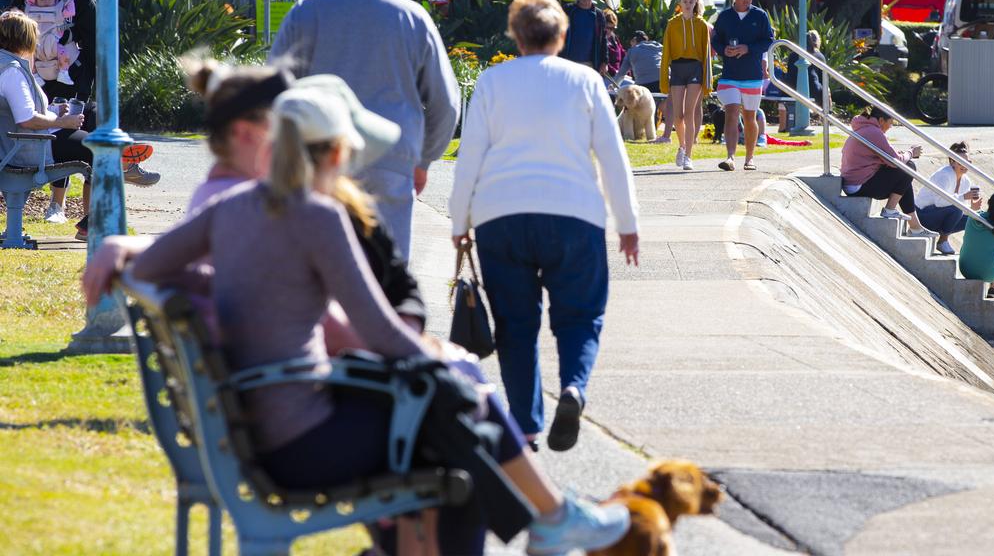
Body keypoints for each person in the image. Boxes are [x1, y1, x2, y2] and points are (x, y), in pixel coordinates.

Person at [88, 86, 631, 556]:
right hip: (304, 440)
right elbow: (379, 332)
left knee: (459, 415)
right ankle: (554, 520)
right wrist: (448, 357)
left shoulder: (234, 206)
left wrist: (132, 248)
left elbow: (156, 264)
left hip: (254, 429)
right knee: (463, 436)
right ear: (337, 152)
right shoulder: (317, 215)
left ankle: (554, 520)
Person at [450, 0, 640, 454]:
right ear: (562, 34)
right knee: (580, 316)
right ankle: (573, 386)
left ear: (515, 35)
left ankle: (527, 424)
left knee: (516, 325)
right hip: (574, 215)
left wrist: (460, 221)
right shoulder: (585, 81)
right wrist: (627, 224)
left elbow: (469, 155)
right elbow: (613, 158)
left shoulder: (493, 82)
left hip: (502, 217)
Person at [269, 0, 461, 255]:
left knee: (323, 272)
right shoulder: (414, 18)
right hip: (392, 160)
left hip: (321, 161)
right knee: (386, 277)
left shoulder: (305, 13)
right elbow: (446, 102)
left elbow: (273, 92)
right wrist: (423, 160)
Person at [7, 0, 161, 219]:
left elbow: (96, 42)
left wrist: (94, 80)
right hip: (33, 78)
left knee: (93, 121)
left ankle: (94, 208)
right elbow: (10, 29)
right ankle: (62, 202)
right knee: (69, 134)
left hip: (69, 78)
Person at [0, 10, 91, 239]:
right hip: (28, 147)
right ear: (26, 39)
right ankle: (94, 222)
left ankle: (125, 165)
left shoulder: (8, 65)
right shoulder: (11, 71)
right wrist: (62, 121)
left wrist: (51, 112)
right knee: (98, 148)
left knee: (95, 114)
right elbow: (26, 119)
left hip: (20, 142)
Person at [840, 106, 936, 238]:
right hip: (859, 186)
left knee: (904, 178)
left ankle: (915, 228)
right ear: (881, 120)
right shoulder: (874, 132)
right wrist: (911, 153)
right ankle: (890, 209)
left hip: (853, 183)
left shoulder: (865, 129)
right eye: (890, 122)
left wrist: (903, 155)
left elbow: (887, 157)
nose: (891, 126)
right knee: (908, 167)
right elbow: (895, 161)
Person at [710, 0, 774, 171]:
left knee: (749, 116)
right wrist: (724, 50)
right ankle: (730, 157)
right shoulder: (725, 17)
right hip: (730, 75)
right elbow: (716, 41)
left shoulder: (760, 16)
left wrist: (748, 48)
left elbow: (768, 41)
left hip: (752, 75)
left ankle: (750, 158)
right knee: (730, 112)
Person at [658, 0, 713, 170]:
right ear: (679, 2)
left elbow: (706, 55)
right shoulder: (672, 24)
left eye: (691, 1)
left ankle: (689, 155)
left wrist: (707, 81)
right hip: (678, 69)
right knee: (677, 116)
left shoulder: (701, 25)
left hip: (695, 69)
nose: (688, 5)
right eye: (684, 1)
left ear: (696, 1)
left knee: (689, 113)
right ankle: (681, 146)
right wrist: (664, 78)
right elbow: (666, 53)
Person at [915, 141, 982, 256]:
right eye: (961, 162)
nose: (965, 165)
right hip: (922, 215)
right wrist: (964, 196)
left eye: (968, 162)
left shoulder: (966, 181)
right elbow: (940, 202)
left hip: (938, 217)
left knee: (975, 218)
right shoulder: (944, 175)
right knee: (956, 209)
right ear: (952, 162)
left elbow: (963, 209)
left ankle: (974, 251)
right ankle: (943, 241)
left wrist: (972, 208)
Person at [25, 0, 76, 86]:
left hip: (54, 41)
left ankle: (63, 72)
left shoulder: (58, 9)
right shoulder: (30, 10)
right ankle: (34, 74)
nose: (46, 1)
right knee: (29, 55)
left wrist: (69, 0)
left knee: (63, 53)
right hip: (36, 42)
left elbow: (71, 12)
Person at [779, 29, 827, 130]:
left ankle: (782, 127)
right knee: (827, 90)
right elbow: (823, 79)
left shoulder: (793, 55)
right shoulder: (820, 56)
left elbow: (790, 75)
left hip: (792, 89)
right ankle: (826, 121)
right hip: (814, 91)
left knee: (782, 97)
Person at [559, 0, 607, 76]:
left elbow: (603, 39)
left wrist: (604, 62)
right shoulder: (568, 10)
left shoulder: (599, 15)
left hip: (590, 63)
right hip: (567, 61)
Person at [601, 9, 625, 82]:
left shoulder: (614, 38)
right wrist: (616, 73)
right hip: (605, 77)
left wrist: (626, 72)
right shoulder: (598, 40)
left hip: (617, 77)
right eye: (607, 27)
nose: (609, 31)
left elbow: (623, 55)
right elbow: (601, 61)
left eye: (612, 28)